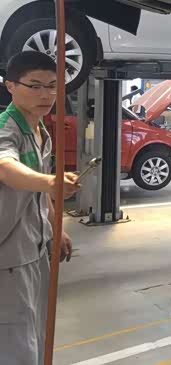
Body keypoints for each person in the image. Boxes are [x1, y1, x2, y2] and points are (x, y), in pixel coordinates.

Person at [0, 51, 80, 365]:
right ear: (10, 85)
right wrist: (50, 181)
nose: (46, 95)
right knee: (16, 342)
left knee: (36, 328)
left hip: (34, 248)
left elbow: (40, 191)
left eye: (52, 86)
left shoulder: (39, 129)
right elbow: (5, 167)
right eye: (34, 86)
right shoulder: (6, 129)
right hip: (8, 258)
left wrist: (55, 229)